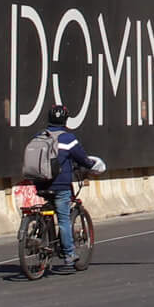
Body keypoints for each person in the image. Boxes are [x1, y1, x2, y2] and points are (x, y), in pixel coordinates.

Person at [41, 105, 105, 269]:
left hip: (39, 183)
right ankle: (69, 254)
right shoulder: (68, 139)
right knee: (63, 218)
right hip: (60, 184)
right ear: (65, 120)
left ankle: (41, 235)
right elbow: (83, 159)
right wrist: (92, 166)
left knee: (48, 207)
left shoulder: (39, 136)